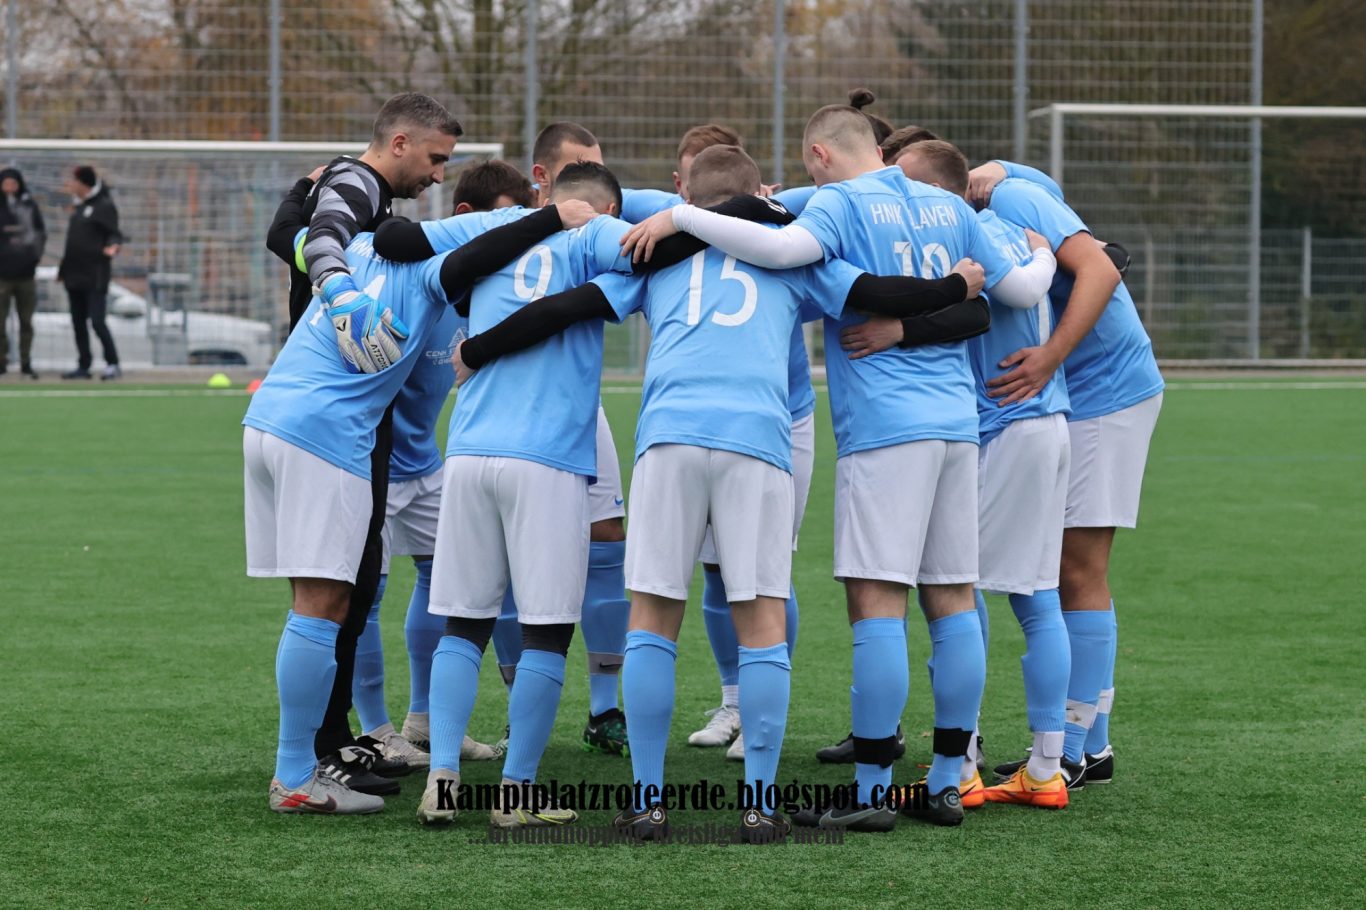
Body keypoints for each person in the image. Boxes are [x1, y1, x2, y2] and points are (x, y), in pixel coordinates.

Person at [450, 145, 990, 842]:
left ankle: (647, 801)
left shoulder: (658, 256)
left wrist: (480, 346)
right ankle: (759, 804)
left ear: (687, 198)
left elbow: (566, 305)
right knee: (760, 619)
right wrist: (954, 283)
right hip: (757, 443)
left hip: (670, 438)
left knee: (653, 616)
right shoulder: (791, 255)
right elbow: (871, 296)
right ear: (761, 195)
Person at [620, 104, 1056, 830]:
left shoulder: (835, 204)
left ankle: (870, 790)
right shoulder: (949, 205)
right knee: (952, 598)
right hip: (958, 422)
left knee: (876, 602)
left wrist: (679, 218)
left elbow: (789, 252)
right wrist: (1037, 255)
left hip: (884, 428)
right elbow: (1009, 296)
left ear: (818, 156)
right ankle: (950, 779)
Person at [249, 191, 595, 815]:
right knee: (323, 606)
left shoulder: (350, 249)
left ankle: (346, 752)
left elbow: (290, 234)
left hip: (270, 418)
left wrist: (310, 188)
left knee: (336, 601)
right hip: (328, 435)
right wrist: (552, 217)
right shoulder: (432, 274)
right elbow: (472, 257)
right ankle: (297, 774)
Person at [843, 139, 1076, 809]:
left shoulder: (975, 230)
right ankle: (1042, 766)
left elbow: (1001, 294)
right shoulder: (1000, 223)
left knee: (958, 593)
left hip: (1004, 422)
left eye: (910, 186)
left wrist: (1038, 257)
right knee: (1031, 594)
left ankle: (965, 764)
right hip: (1041, 421)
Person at [264, 92, 466, 795]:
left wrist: (306, 206)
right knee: (336, 589)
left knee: (352, 581)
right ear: (402, 142)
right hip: (335, 411)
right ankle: (314, 752)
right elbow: (307, 238)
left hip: (339, 412)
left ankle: (333, 737)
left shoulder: (364, 198)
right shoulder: (357, 182)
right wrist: (340, 292)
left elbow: (289, 230)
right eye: (436, 158)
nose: (439, 176)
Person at [968, 160, 1165, 789]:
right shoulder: (994, 194)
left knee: (1076, 568)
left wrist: (1051, 356)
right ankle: (1089, 745)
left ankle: (1077, 748)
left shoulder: (1013, 195)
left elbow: (1104, 265)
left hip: (1105, 393)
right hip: (1066, 397)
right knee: (1053, 568)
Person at [58, 165, 122, 381]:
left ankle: (112, 363)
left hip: (95, 274)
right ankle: (83, 365)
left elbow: (114, 233)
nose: (70, 184)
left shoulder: (103, 206)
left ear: (83, 183)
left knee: (97, 321)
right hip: (74, 275)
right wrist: (63, 269)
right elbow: (73, 243)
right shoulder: (79, 208)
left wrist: (113, 246)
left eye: (73, 180)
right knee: (78, 322)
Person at [0, 166, 45, 379]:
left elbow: (39, 235)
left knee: (26, 321)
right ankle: (2, 362)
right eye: (6, 183)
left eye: (13, 183)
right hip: (2, 275)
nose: (9, 187)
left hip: (25, 275)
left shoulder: (28, 206)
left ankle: (26, 363)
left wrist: (32, 259)